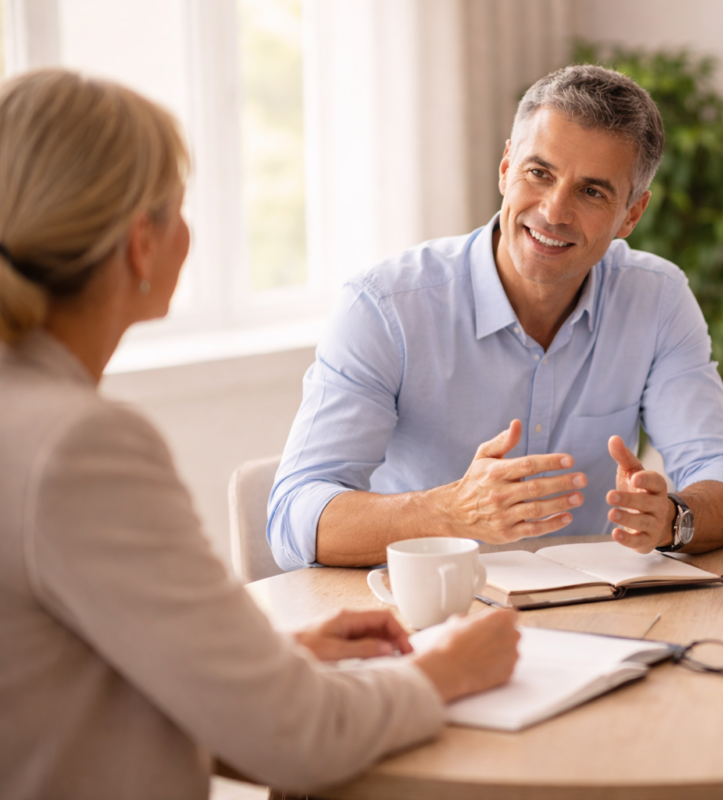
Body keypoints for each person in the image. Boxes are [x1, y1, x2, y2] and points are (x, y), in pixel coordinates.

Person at [0, 69, 520, 800]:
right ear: (140, 247)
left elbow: (49, 662)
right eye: (179, 206)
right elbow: (300, 740)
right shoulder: (78, 448)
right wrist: (448, 671)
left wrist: (268, 659)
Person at [268, 65, 723, 572]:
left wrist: (673, 519)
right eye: (539, 173)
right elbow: (294, 517)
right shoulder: (385, 306)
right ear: (506, 167)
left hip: (592, 617)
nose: (553, 211)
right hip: (422, 617)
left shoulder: (656, 298)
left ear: (632, 215)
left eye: (592, 192)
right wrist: (452, 511)